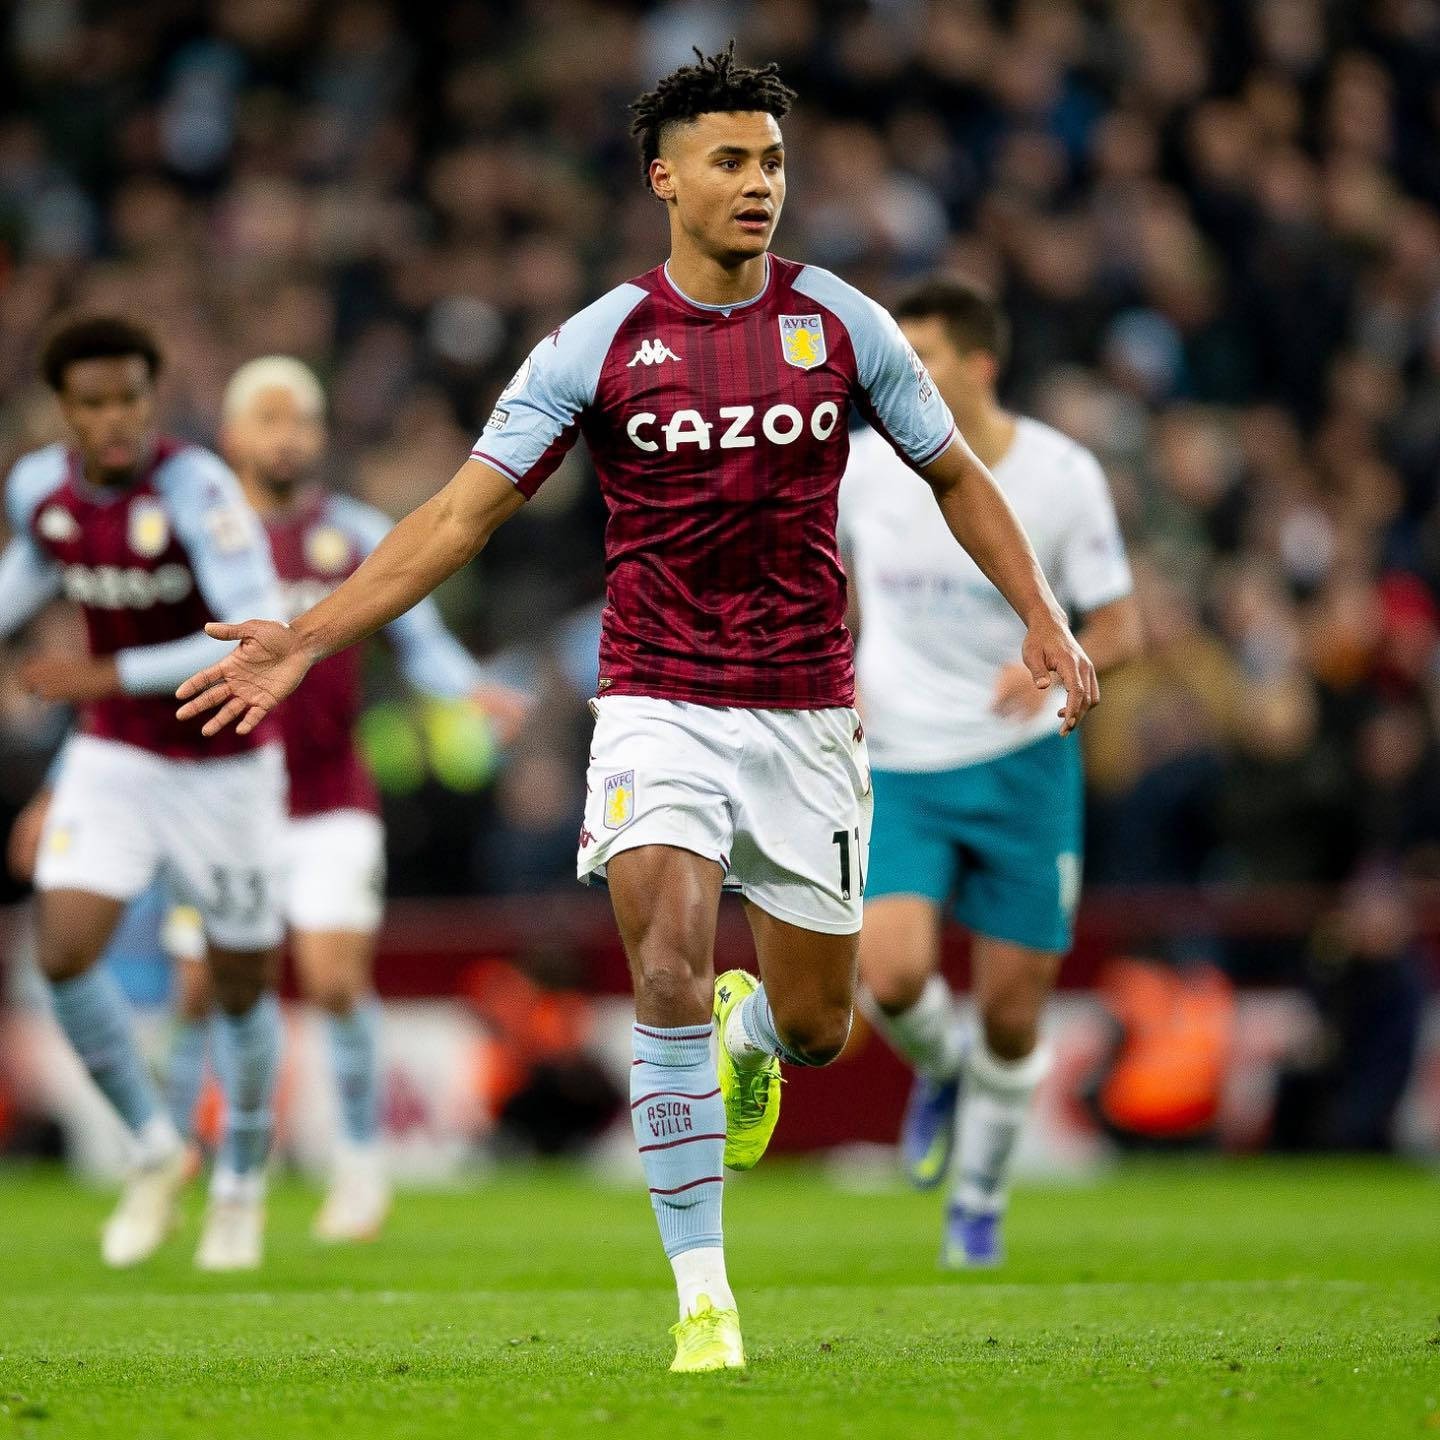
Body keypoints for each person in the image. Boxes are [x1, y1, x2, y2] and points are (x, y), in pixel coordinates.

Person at [175, 47, 1097, 1371]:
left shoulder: (842, 324)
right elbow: (458, 514)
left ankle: (756, 1031)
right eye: (731, 159)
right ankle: (705, 1301)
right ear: (664, 175)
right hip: (657, 699)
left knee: (826, 1027)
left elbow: (957, 477)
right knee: (664, 958)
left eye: (773, 161)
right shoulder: (598, 343)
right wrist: (310, 638)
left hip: (809, 719)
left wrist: (1042, 614)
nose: (759, 184)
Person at [163, 355, 527, 1243]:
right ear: (233, 436)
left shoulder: (355, 534)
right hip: (217, 801)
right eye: (271, 420)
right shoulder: (192, 540)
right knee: (201, 988)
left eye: (303, 421)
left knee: (332, 981)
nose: (288, 437)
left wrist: (466, 688)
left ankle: (360, 1166)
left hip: (329, 797)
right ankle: (173, 1154)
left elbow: (421, 638)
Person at [839, 277, 1142, 1267]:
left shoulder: (1061, 474)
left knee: (1014, 1016)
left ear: (979, 365)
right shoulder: (861, 471)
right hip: (902, 761)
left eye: (921, 357)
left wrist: (1050, 653)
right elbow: (825, 592)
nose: (903, 379)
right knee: (891, 974)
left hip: (1023, 767)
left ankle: (978, 1194)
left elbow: (1121, 625)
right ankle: (942, 1068)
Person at [0, 315, 288, 1271]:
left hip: (225, 760)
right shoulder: (39, 486)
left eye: (130, 397)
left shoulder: (199, 490)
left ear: (151, 397)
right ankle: (156, 1148)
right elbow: (33, 564)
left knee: (240, 985)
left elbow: (255, 630)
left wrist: (103, 674)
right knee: (63, 950)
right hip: (116, 758)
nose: (116, 418)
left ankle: (240, 1183)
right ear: (65, 411)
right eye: (94, 403)